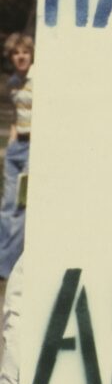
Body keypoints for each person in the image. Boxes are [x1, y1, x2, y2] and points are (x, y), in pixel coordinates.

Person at [0, 34, 32, 280]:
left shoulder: (40, 79)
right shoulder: (13, 83)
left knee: (21, 208)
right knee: (7, 205)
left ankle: (6, 267)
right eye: (16, 53)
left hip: (32, 147)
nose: (20, 57)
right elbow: (15, 115)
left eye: (25, 52)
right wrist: (11, 142)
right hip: (16, 149)